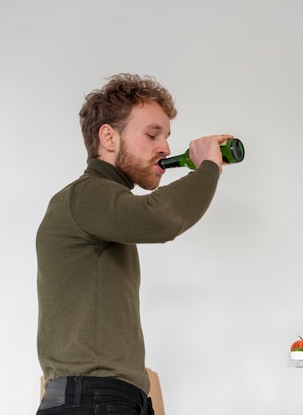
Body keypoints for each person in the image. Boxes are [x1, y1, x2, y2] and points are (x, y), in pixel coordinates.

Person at [36, 73, 233, 414]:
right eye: (152, 134)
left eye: (167, 137)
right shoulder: (87, 195)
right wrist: (208, 169)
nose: (167, 149)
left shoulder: (107, 206)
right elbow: (162, 218)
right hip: (94, 399)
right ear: (108, 137)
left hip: (111, 398)